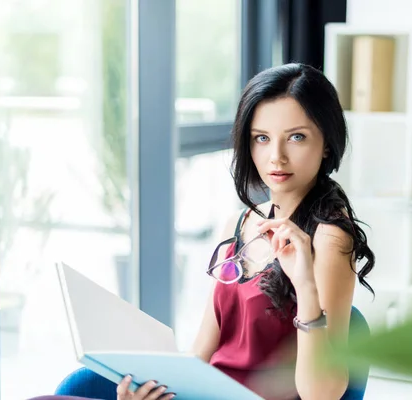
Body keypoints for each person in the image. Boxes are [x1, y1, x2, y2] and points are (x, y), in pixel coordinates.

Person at [34, 63, 375, 400]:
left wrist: (305, 285)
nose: (277, 157)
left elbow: (324, 393)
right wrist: (154, 391)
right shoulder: (241, 223)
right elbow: (202, 353)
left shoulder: (329, 239)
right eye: (262, 138)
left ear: (327, 144)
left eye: (296, 137)